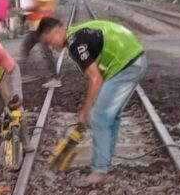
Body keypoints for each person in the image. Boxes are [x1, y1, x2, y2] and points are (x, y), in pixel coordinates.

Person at [37, 17, 147, 186]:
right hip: (135, 59)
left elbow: (95, 79)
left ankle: (99, 170)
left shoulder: (74, 41)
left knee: (98, 118)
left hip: (126, 64)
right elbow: (98, 77)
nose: (51, 47)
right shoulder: (76, 36)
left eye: (49, 42)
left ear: (58, 30)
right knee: (111, 117)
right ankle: (104, 161)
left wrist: (86, 111)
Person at [20, 0, 60, 86]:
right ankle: (23, 74)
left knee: (46, 53)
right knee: (25, 48)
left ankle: (55, 78)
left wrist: (23, 10)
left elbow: (36, 6)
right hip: (35, 27)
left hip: (43, 27)